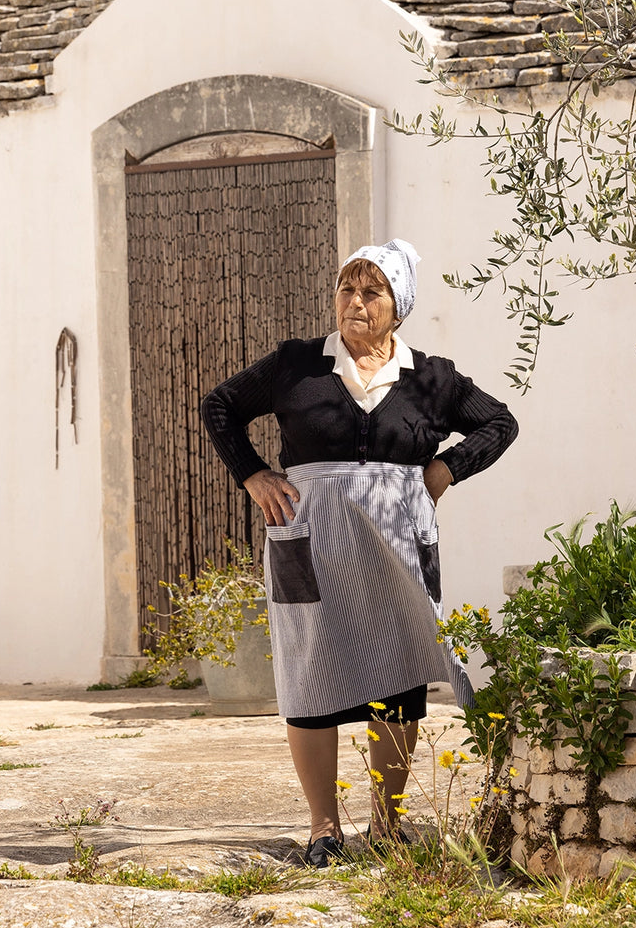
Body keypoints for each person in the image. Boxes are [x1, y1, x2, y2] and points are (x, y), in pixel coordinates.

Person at [201, 238, 518, 867]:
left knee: (398, 675)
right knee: (309, 673)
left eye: (372, 292)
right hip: (308, 537)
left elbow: (500, 422)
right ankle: (323, 828)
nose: (356, 302)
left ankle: (387, 825)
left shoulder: (431, 378)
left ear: (398, 306)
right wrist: (253, 475)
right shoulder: (297, 364)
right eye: (347, 288)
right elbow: (221, 406)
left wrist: (445, 468)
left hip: (399, 543)